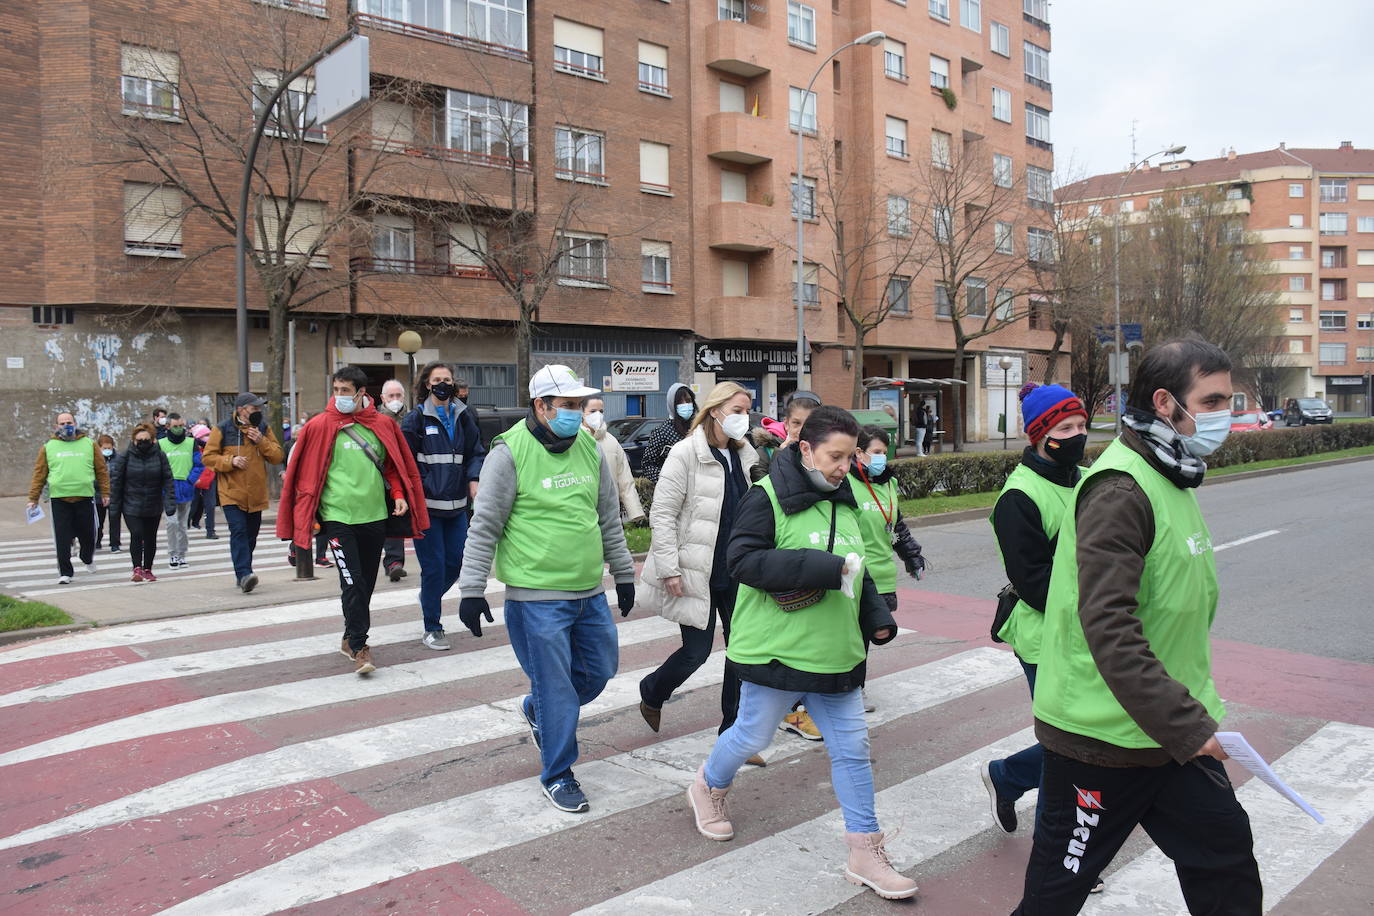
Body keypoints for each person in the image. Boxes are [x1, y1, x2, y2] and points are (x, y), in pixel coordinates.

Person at [1012, 339, 1260, 915]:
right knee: (1054, 896)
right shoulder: (1121, 488)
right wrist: (1183, 724)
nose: (1226, 413)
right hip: (1102, 741)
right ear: (1165, 403)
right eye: (1214, 399)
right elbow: (1108, 623)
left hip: (1167, 733)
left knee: (1226, 863)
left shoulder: (1169, 472)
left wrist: (1181, 720)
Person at [686, 406, 914, 901]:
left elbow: (860, 568)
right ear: (805, 449)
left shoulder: (847, 500)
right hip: (776, 651)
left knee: (853, 751)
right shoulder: (764, 497)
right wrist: (824, 569)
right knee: (751, 733)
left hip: (837, 653)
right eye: (836, 456)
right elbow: (742, 561)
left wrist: (876, 616)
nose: (844, 466)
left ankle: (864, 850)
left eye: (851, 456)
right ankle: (708, 786)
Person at [456, 364, 636, 814]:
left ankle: (539, 710)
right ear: (541, 405)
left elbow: (607, 517)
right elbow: (484, 527)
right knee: (558, 689)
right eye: (569, 406)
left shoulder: (589, 451)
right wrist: (472, 589)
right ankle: (557, 773)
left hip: (588, 592)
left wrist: (624, 571)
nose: (579, 414)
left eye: (581, 405)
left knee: (599, 671)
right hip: (536, 599)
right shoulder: (509, 452)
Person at [980, 385, 1091, 855]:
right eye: (1066, 428)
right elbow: (1034, 583)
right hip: (1049, 639)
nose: (1078, 436)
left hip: (1096, 632)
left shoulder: (1091, 478)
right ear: (1040, 433)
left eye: (1082, 426)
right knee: (1071, 747)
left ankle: (1006, 776)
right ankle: (1061, 848)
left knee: (1086, 740)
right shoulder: (1018, 497)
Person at [278, 366, 429, 675]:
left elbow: (391, 467)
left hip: (374, 516)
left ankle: (349, 637)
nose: (339, 397)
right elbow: (305, 474)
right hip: (337, 518)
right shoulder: (319, 426)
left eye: (345, 391)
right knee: (352, 580)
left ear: (362, 393)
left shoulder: (382, 425)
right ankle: (360, 645)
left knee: (366, 583)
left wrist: (399, 493)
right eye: (336, 390)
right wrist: (304, 519)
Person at [637, 383, 758, 750]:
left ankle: (731, 734)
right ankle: (653, 689)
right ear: (716, 409)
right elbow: (663, 513)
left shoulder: (746, 453)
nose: (744, 418)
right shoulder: (685, 452)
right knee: (697, 652)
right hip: (697, 569)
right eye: (737, 410)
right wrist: (669, 568)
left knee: (742, 649)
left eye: (747, 410)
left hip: (739, 569)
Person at [401, 361, 484, 650]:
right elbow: (405, 461)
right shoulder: (415, 419)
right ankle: (432, 627)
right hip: (427, 508)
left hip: (457, 507)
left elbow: (476, 452)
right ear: (427, 384)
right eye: (437, 379)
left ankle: (429, 596)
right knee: (434, 568)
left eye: (447, 379)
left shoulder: (463, 416)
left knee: (458, 562)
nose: (443, 384)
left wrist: (474, 478)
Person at [848, 425, 927, 712]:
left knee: (867, 638)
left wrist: (912, 557)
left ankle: (854, 688)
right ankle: (849, 691)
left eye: (884, 452)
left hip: (883, 575)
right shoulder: (846, 482)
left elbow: (896, 527)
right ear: (859, 453)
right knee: (853, 637)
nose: (882, 458)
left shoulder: (889, 484)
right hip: (856, 576)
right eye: (876, 452)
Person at [202, 393, 284, 593]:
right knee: (238, 531)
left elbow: (277, 456)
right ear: (240, 409)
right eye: (254, 408)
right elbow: (208, 457)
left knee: (251, 536)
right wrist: (230, 461)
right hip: (231, 492)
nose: (258, 411)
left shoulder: (263, 428)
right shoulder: (222, 429)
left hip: (256, 494)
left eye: (259, 408)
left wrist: (262, 441)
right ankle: (244, 573)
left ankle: (243, 572)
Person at [28, 412, 110, 585]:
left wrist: (105, 493)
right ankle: (65, 572)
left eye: (69, 422)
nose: (67, 425)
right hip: (60, 498)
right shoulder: (49, 447)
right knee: (62, 538)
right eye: (62, 423)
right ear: (56, 426)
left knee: (89, 535)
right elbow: (39, 473)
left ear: (75, 423)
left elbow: (101, 470)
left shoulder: (89, 444)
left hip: (85, 496)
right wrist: (33, 498)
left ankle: (87, 558)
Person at [110, 424, 175, 582]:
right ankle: (137, 567)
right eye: (140, 440)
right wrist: (114, 508)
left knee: (150, 537)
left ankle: (148, 568)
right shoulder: (125, 457)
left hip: (153, 503)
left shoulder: (160, 456)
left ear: (153, 440)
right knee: (137, 533)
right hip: (131, 503)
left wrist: (169, 503)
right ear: (133, 440)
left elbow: (168, 480)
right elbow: (116, 482)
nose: (143, 443)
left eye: (147, 439)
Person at [582, 396, 644, 524]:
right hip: (582, 511)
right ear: (582, 413)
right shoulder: (575, 439)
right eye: (593, 411)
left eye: (601, 411)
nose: (598, 415)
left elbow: (624, 478)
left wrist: (635, 511)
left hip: (609, 511)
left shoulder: (611, 441)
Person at [159, 413, 204, 569]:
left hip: (186, 487)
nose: (179, 429)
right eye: (175, 426)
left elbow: (199, 464)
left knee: (183, 525)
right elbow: (157, 467)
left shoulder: (191, 443)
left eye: (181, 426)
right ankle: (173, 554)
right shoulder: (161, 444)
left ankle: (182, 554)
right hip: (169, 489)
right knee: (171, 523)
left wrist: (191, 480)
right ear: (168, 427)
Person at [378, 378, 411, 582]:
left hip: (407, 476)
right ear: (383, 398)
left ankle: (395, 562)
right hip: (384, 477)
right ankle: (392, 562)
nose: (395, 399)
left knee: (401, 518)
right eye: (391, 396)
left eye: (399, 395)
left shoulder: (411, 419)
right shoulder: (376, 419)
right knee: (389, 517)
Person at [749, 390, 820, 484]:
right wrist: (781, 454)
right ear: (786, 423)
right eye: (796, 423)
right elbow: (764, 491)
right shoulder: (765, 452)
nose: (802, 429)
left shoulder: (827, 452)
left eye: (809, 423)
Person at [641, 382, 697, 483]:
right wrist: (668, 480)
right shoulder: (662, 432)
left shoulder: (700, 428)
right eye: (680, 402)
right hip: (674, 491)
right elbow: (648, 465)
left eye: (688, 401)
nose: (685, 405)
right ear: (672, 405)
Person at [187, 424, 219, 540]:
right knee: (192, 506)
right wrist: (194, 479)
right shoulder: (192, 449)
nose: (208, 437)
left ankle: (210, 531)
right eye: (205, 435)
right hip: (195, 481)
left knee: (210, 506)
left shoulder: (212, 449)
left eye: (209, 435)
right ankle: (185, 525)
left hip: (209, 480)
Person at [94, 434, 121, 552]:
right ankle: (97, 541)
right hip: (98, 495)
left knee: (114, 520)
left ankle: (115, 543)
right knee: (98, 520)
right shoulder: (94, 459)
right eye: (104, 448)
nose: (107, 450)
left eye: (109, 448)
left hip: (114, 495)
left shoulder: (119, 459)